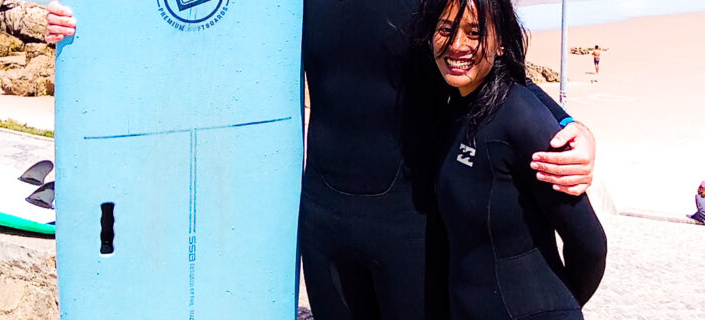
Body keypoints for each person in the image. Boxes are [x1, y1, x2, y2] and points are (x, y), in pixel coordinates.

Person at [45, 1, 599, 319]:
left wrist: (571, 126)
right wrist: (81, 21)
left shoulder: (435, 0)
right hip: (324, 225)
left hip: (412, 229)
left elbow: (493, 69)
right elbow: (180, 23)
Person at [414, 0, 607, 318]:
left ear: (501, 42)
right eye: (445, 29)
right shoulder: (456, 107)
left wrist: (555, 306)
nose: (457, 45)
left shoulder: (521, 118)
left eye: (474, 33)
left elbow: (590, 244)